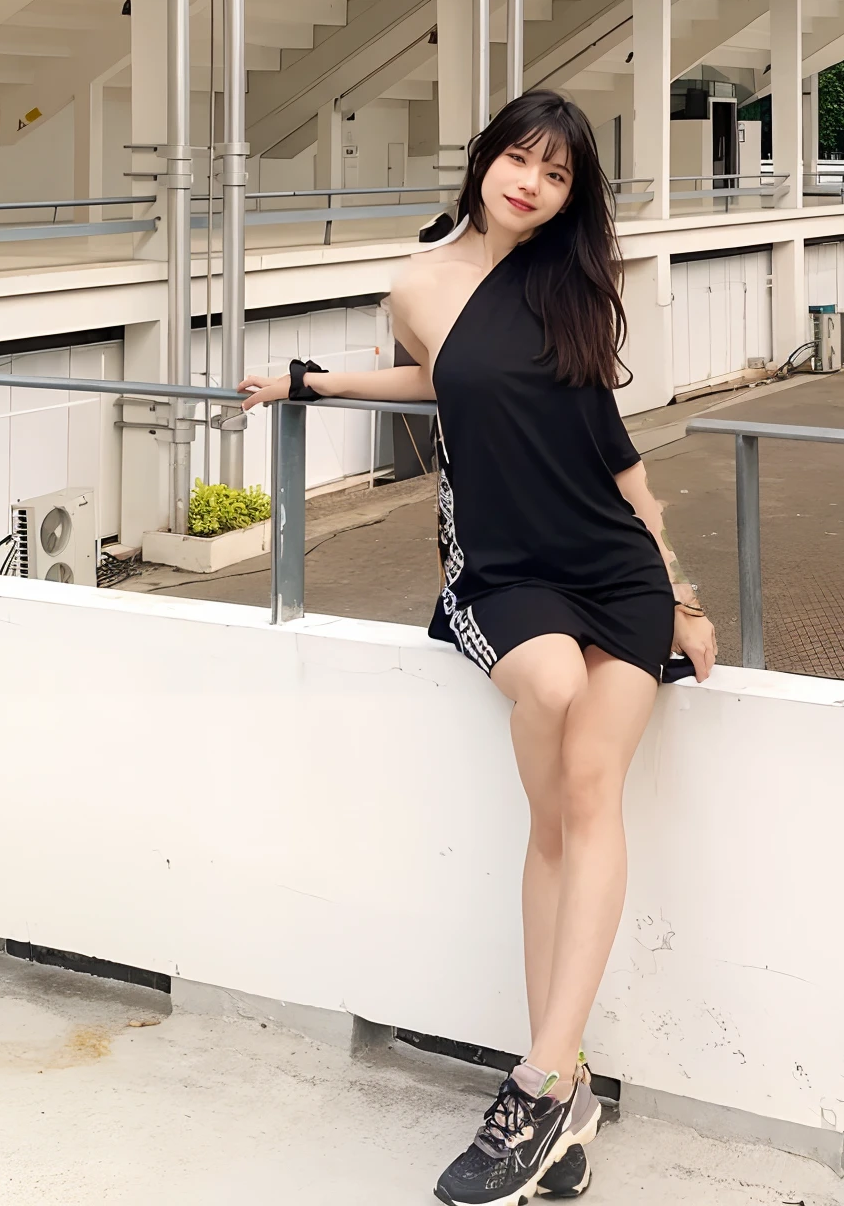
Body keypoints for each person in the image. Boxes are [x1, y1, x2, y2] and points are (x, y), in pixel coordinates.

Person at [236, 89, 717, 1205]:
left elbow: (611, 442)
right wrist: (313, 380)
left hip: (611, 564)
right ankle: (565, 1087)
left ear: (566, 198)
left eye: (555, 176)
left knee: (582, 803)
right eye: (520, 159)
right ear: (487, 158)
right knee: (547, 702)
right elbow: (443, 378)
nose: (531, 185)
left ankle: (544, 1080)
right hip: (501, 568)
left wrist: (683, 589)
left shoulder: (571, 287)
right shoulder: (416, 283)